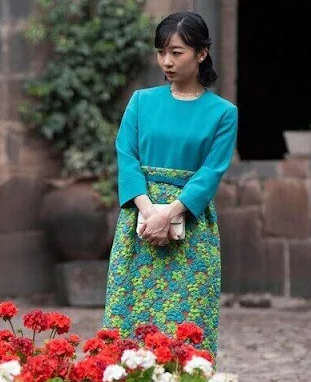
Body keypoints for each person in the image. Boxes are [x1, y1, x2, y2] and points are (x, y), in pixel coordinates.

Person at [102, 11, 238, 360]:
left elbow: (211, 172)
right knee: (130, 319)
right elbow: (126, 155)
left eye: (176, 52)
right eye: (162, 52)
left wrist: (172, 213)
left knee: (188, 325)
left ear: (201, 53)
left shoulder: (223, 113)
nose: (167, 61)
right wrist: (149, 212)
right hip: (140, 224)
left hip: (191, 229)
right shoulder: (141, 101)